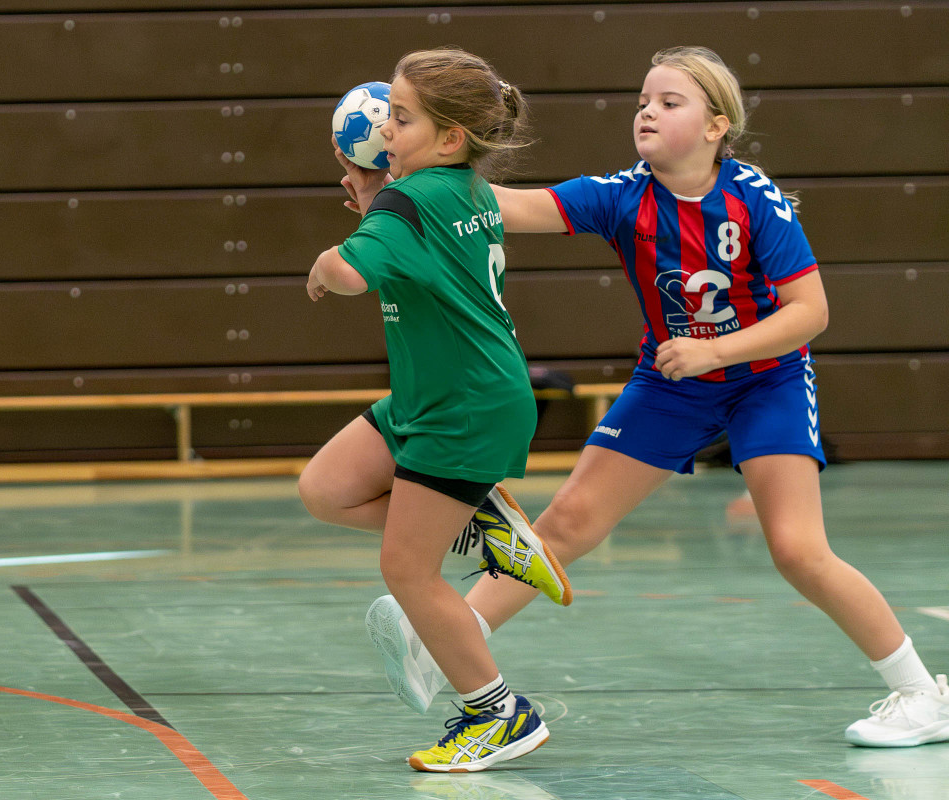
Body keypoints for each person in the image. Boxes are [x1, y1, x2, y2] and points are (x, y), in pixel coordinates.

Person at [359, 45, 949, 748]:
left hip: (766, 380)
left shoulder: (754, 199)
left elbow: (810, 311)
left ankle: (922, 693)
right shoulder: (622, 195)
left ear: (716, 126)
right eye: (643, 101)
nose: (647, 112)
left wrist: (716, 351)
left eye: (670, 102)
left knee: (797, 549)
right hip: (672, 384)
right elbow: (502, 206)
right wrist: (408, 190)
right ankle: (445, 642)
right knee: (568, 521)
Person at [298, 47, 573, 772]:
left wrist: (325, 265)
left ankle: (498, 713)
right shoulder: (461, 188)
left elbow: (351, 273)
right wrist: (376, 200)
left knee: (406, 570)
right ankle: (483, 528)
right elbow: (414, 250)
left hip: (465, 409)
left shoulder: (411, 201)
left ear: (450, 137)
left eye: (401, 117)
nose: (386, 129)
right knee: (326, 489)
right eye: (387, 112)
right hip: (435, 394)